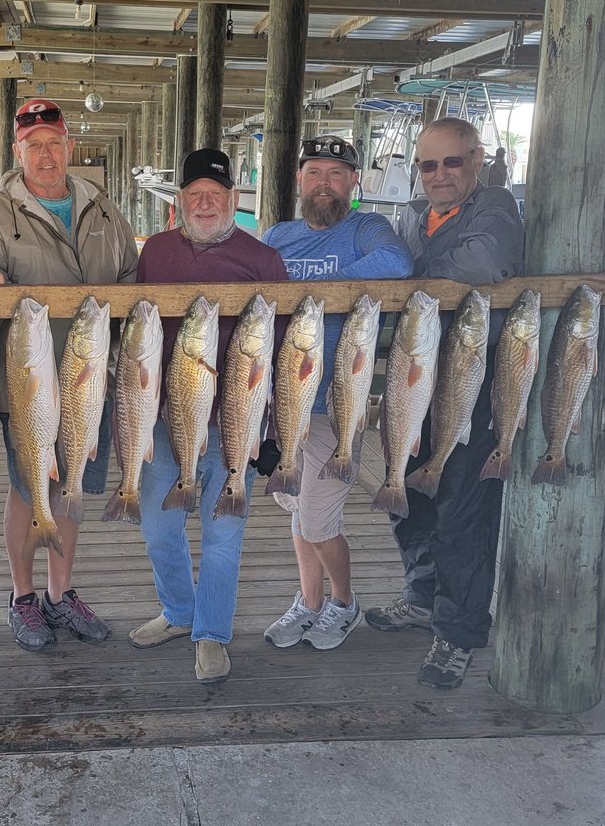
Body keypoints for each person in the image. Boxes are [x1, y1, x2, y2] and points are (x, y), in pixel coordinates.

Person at [0, 98, 138, 651]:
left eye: (54, 142)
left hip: (90, 377)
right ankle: (22, 596)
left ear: (69, 146)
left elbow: (130, 277)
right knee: (30, 486)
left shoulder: (103, 210)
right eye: (34, 145)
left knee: (70, 485)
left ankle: (61, 592)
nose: (46, 153)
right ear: (17, 151)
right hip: (27, 377)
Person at [366, 116, 524, 690]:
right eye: (428, 165)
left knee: (464, 512)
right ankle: (423, 597)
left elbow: (485, 264)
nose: (439, 175)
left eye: (451, 162)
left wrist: (411, 278)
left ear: (477, 160)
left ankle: (458, 633)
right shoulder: (409, 215)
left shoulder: (495, 206)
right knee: (403, 494)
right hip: (414, 383)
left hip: (473, 386)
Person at [128, 148, 289, 684]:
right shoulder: (154, 251)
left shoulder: (263, 259)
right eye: (194, 194)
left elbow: (285, 350)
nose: (204, 204)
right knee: (157, 526)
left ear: (233, 201)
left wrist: (271, 430)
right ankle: (178, 611)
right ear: (178, 203)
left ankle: (212, 633)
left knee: (223, 535)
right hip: (163, 417)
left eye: (215, 196)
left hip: (232, 423)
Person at [262, 135, 413, 651]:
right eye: (313, 173)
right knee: (299, 510)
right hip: (283, 401)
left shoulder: (367, 229)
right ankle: (308, 603)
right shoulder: (278, 235)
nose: (323, 182)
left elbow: (396, 264)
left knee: (319, 518)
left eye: (335, 173)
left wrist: (313, 297)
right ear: (300, 181)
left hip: (335, 405)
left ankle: (344, 604)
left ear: (354, 181)